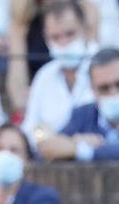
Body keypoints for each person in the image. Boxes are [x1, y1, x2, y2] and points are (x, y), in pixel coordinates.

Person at [38, 47, 119, 162]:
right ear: (92, 89)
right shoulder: (83, 115)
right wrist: (69, 143)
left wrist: (84, 150)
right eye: (104, 88)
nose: (114, 93)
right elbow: (48, 150)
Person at [21, 0, 98, 143]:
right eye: (55, 37)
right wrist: (46, 137)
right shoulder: (44, 76)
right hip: (51, 160)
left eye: (70, 34)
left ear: (85, 29)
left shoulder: (106, 66)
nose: (63, 43)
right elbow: (30, 128)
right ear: (46, 38)